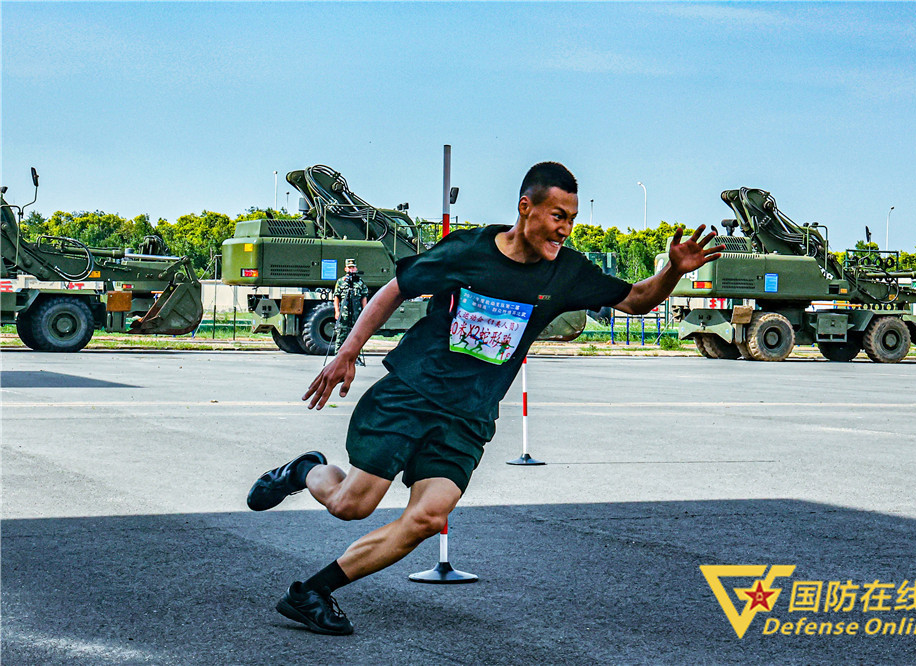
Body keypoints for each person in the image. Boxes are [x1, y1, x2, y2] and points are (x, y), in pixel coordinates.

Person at [246, 162, 723, 635]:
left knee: (429, 517)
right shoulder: (469, 250)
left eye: (572, 219)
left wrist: (672, 272)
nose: (566, 229)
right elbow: (395, 289)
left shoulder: (567, 272)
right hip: (412, 393)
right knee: (353, 505)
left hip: (469, 415)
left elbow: (637, 299)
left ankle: (312, 592)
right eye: (558, 215)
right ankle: (304, 469)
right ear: (526, 207)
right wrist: (348, 351)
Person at [332, 259, 368, 356]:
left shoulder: (360, 282)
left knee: (356, 334)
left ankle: (356, 356)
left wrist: (364, 311)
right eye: (350, 267)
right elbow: (336, 297)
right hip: (344, 312)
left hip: (356, 312)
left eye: (353, 267)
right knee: (341, 333)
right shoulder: (341, 282)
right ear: (345, 269)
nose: (352, 269)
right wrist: (337, 311)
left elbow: (364, 297)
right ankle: (338, 356)